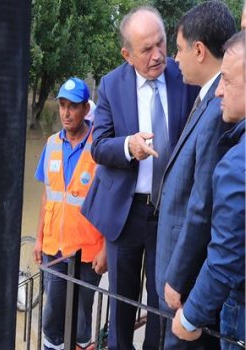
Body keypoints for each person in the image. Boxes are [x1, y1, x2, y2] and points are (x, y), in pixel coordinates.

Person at [80, 6, 199, 350]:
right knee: (121, 303)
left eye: (161, 43)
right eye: (146, 49)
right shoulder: (112, 85)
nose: (158, 55)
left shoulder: (184, 76)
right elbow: (99, 146)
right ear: (127, 54)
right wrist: (129, 146)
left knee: (162, 301)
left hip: (171, 212)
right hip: (126, 212)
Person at [155, 2, 237, 348]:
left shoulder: (221, 109)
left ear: (199, 50)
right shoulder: (208, 98)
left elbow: (202, 205)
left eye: (178, 48)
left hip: (187, 283)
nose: (175, 58)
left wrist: (177, 277)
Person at [172, 30, 245, 349]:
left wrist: (190, 316)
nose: (219, 92)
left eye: (227, 81)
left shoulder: (236, 165)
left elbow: (225, 256)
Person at [33, 77, 107, 350]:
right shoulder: (51, 144)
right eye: (62, 105)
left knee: (81, 318)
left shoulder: (99, 149)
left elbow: (110, 203)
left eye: (72, 106)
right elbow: (47, 196)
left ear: (86, 110)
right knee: (52, 316)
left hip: (88, 254)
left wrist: (107, 249)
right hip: (55, 249)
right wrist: (39, 239)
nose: (65, 112)